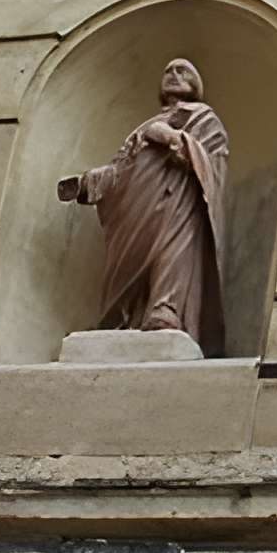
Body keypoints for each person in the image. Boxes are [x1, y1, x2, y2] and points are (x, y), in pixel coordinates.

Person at [58, 57, 229, 350]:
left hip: (176, 202)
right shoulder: (145, 126)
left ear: (196, 85)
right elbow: (124, 169)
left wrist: (174, 139)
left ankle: (167, 309)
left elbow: (213, 160)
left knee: (172, 251)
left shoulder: (203, 116)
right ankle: (125, 318)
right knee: (127, 268)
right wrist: (87, 183)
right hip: (136, 210)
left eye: (182, 71)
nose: (173, 75)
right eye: (168, 71)